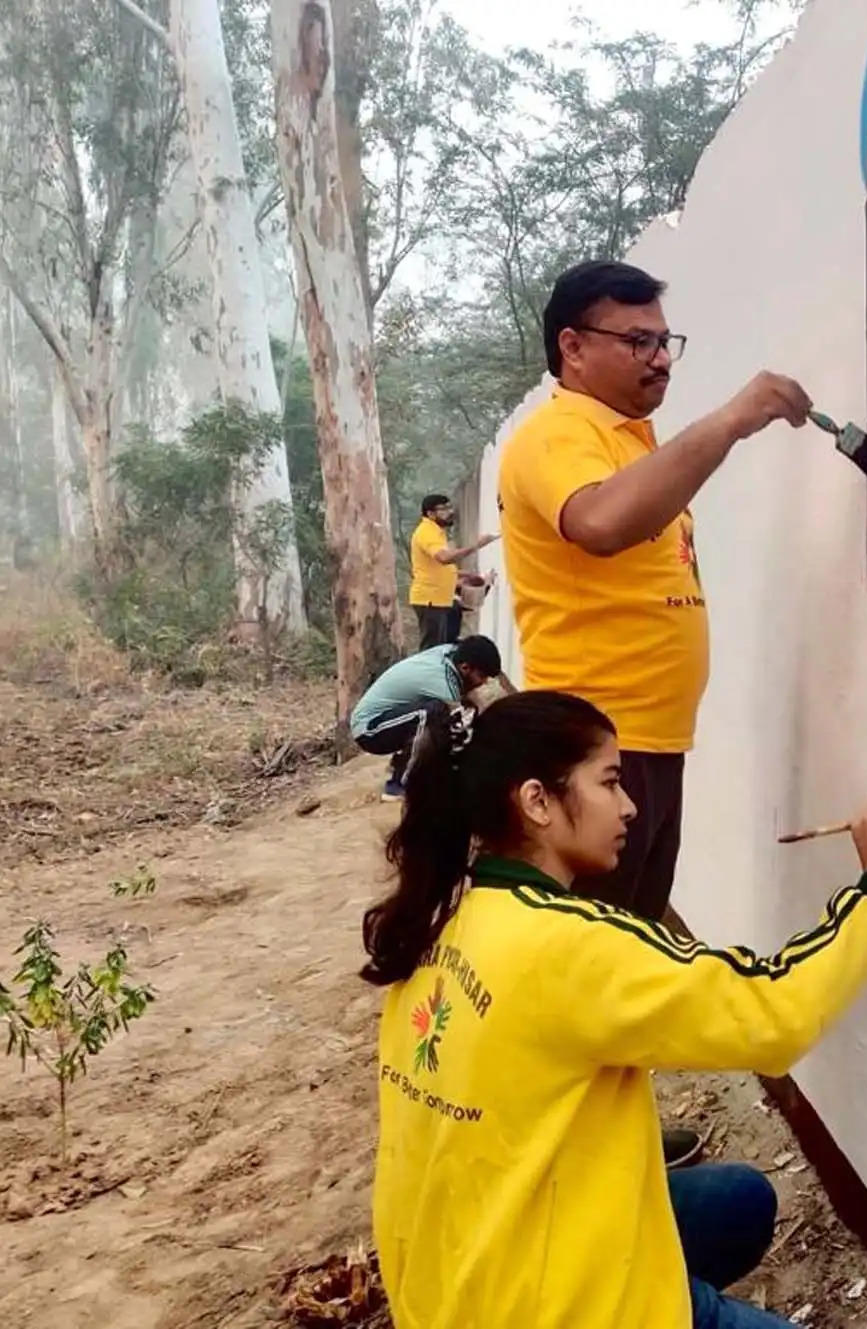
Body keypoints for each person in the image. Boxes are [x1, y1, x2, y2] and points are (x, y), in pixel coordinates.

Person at [363, 689, 867, 1329]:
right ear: (538, 800)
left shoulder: (445, 917)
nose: (629, 807)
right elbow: (776, 1012)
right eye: (611, 782)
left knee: (739, 1201)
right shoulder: (569, 945)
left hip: (454, 1285)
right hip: (548, 1310)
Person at [495, 259, 813, 924]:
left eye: (665, 341)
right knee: (595, 959)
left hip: (648, 742)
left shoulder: (628, 444)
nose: (661, 358)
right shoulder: (559, 434)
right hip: (596, 743)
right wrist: (730, 421)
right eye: (637, 341)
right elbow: (601, 522)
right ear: (573, 347)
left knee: (627, 929)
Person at [348, 635, 513, 799]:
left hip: (389, 718)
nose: (483, 683)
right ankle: (400, 784)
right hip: (370, 730)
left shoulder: (451, 653)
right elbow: (461, 734)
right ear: (465, 668)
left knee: (442, 718)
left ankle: (403, 764)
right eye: (482, 676)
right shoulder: (443, 683)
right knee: (434, 715)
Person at [409, 494, 498, 650]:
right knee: (432, 651)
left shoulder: (437, 532)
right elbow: (444, 558)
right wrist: (477, 545)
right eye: (443, 509)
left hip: (440, 599)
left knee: (443, 647)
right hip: (430, 600)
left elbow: (437, 567)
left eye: (449, 507)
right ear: (430, 514)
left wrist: (465, 575)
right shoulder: (427, 532)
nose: (450, 512)